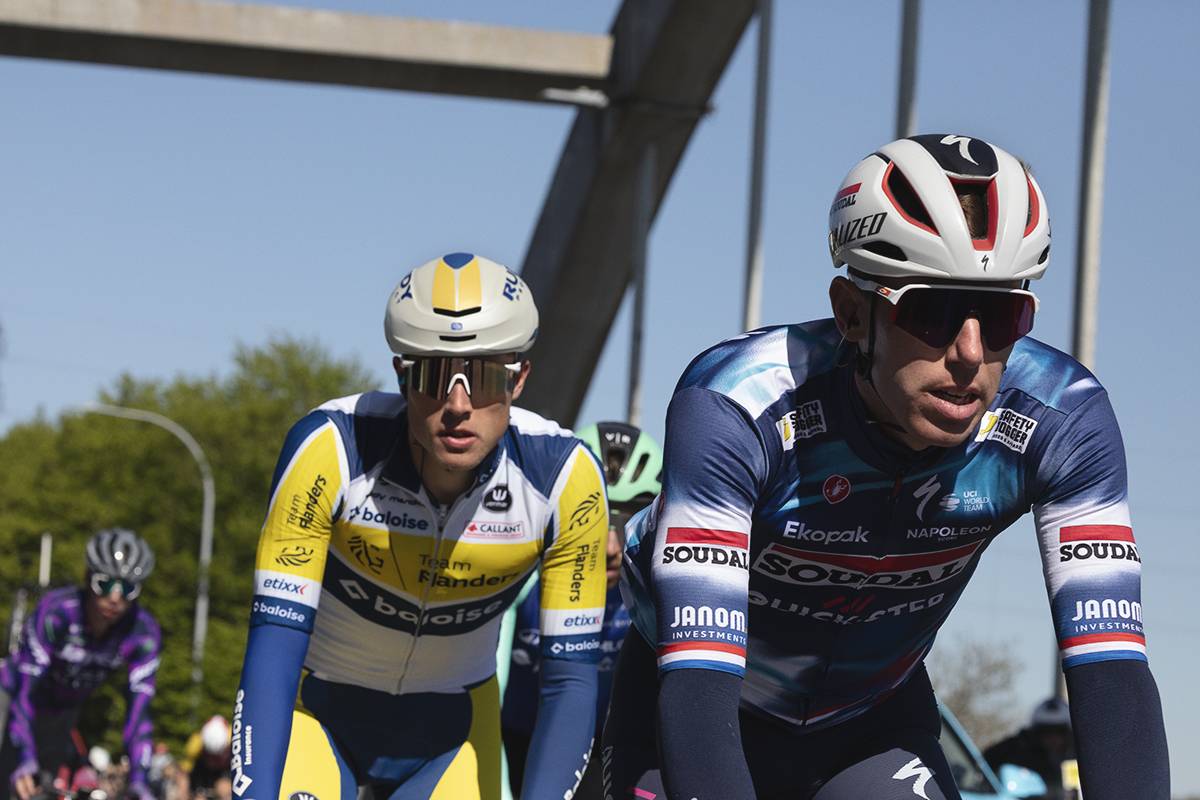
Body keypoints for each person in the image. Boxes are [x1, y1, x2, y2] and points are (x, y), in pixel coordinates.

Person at [605, 134, 1170, 800]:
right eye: (932, 311)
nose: (969, 352)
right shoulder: (737, 403)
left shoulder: (1062, 417)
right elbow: (699, 681)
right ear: (851, 312)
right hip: (702, 708)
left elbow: (1111, 671)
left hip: (871, 724)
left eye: (1000, 316)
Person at [231, 253, 609, 800]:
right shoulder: (331, 448)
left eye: (482, 376)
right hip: (314, 712)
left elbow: (571, 679)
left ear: (519, 378)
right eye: (434, 374)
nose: (458, 404)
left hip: (451, 733)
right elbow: (275, 638)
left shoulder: (564, 479)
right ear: (403, 376)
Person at [500, 422, 662, 799]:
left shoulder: (651, 589)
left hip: (601, 742)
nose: (609, 545)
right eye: (593, 515)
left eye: (626, 520)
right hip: (502, 732)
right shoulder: (522, 572)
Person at [0, 528, 161, 800]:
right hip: (11, 699)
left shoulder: (142, 632)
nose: (115, 598)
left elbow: (139, 715)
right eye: (105, 584)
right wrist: (24, 757)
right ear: (87, 578)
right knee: (14, 774)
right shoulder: (58, 611)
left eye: (128, 589)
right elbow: (25, 691)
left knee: (39, 792)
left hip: (61, 715)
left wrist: (139, 781)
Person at [985, 697, 1077, 800]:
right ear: (1036, 732)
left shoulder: (1082, 755)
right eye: (1046, 731)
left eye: (1059, 731)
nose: (1053, 738)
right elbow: (983, 764)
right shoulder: (1018, 750)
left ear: (1068, 733)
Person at [177, 715, 232, 800]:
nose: (215, 757)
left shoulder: (233, 738)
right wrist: (183, 795)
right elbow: (183, 773)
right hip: (202, 768)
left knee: (224, 790)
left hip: (226, 768)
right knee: (199, 797)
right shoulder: (195, 745)